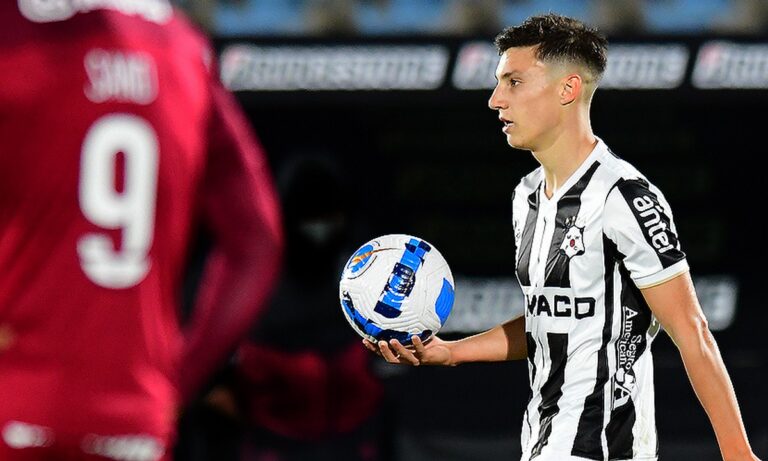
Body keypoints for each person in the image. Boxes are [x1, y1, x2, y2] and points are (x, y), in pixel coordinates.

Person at [365, 13, 760, 461]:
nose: (495, 100)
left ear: (567, 89)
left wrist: (737, 452)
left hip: (602, 445)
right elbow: (550, 322)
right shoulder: (527, 195)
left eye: (514, 82)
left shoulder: (623, 197)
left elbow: (692, 331)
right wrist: (451, 352)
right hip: (542, 439)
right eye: (498, 83)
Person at [0, 1, 283, 460]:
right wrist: (178, 379)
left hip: (14, 402)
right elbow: (258, 240)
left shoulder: (12, 33)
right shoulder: (184, 47)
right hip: (136, 420)